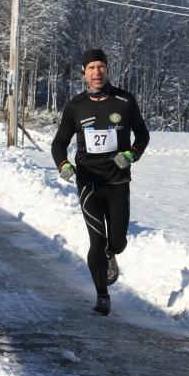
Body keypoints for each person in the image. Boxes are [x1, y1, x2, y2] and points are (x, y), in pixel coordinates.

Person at [51, 49, 150, 316]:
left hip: (118, 181)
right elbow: (59, 143)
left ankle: (111, 254)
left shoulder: (124, 101)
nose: (97, 72)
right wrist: (64, 165)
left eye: (101, 67)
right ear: (84, 73)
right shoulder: (76, 106)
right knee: (97, 240)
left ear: (107, 70)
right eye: (91, 67)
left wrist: (131, 154)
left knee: (117, 241)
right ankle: (102, 295)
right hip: (88, 181)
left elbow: (142, 136)